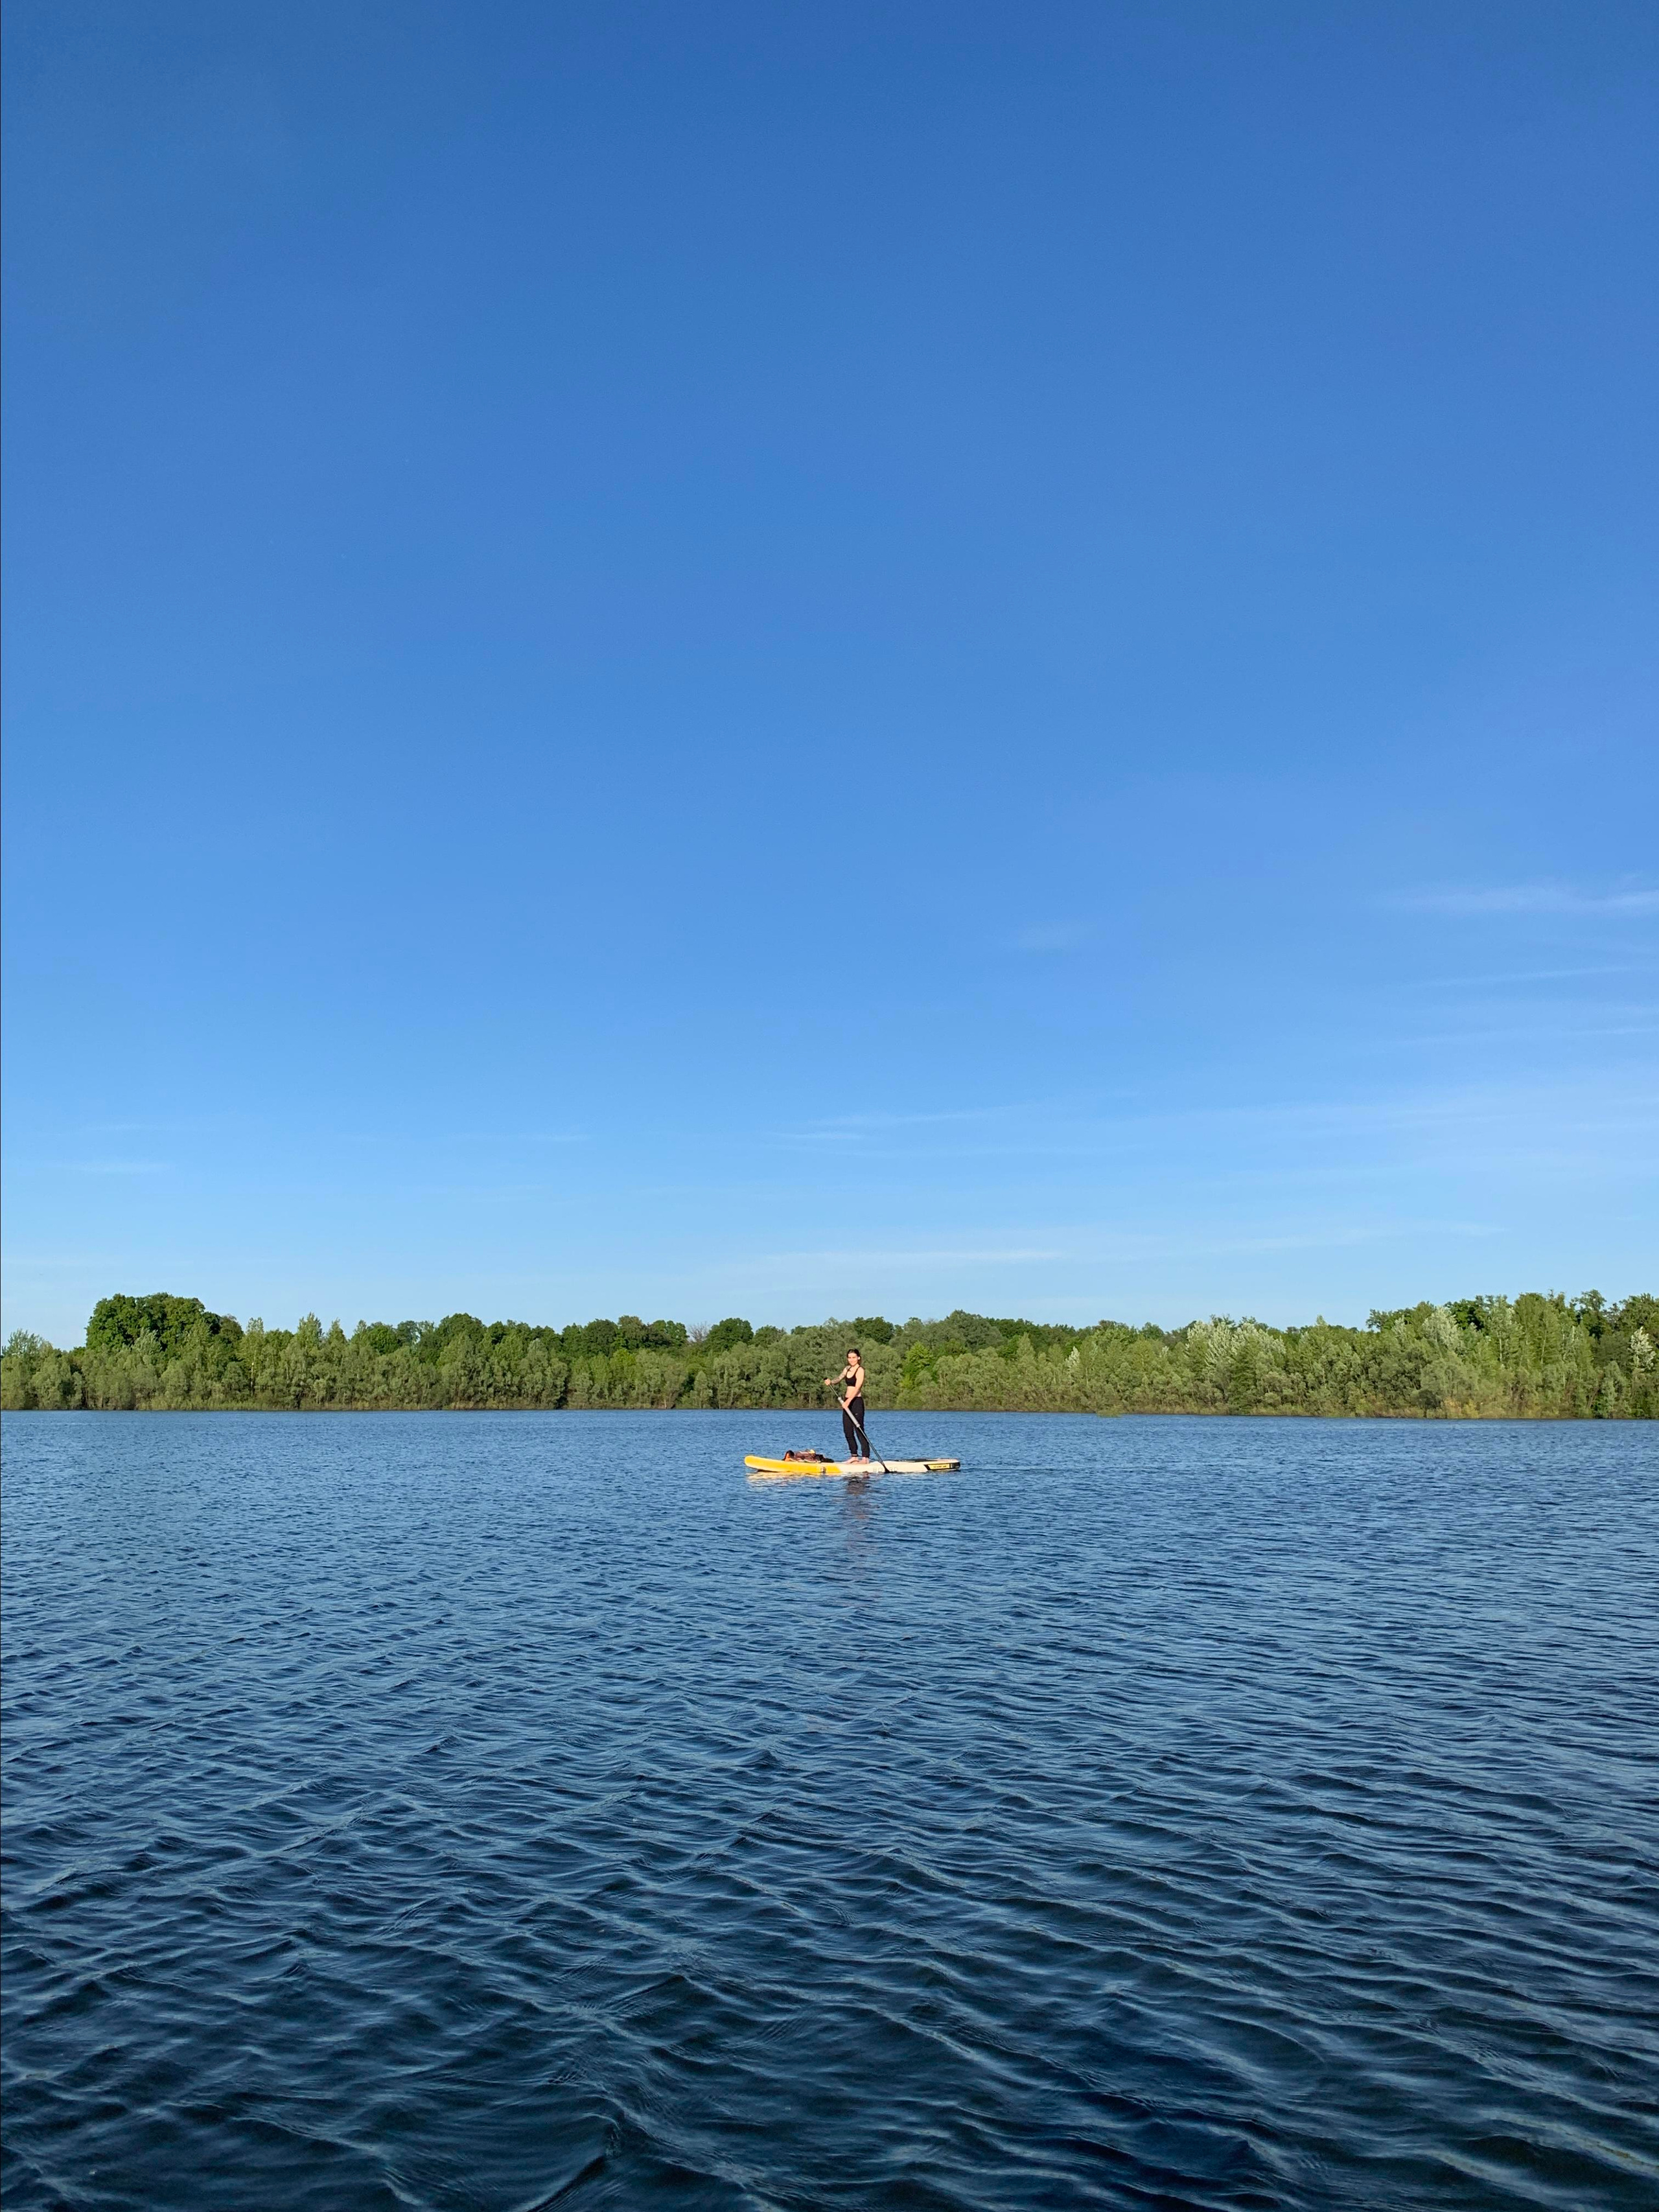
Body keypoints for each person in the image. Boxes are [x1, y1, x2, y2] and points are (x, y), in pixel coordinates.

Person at [824, 1346, 873, 1461]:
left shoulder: (860, 1370)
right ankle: (854, 1456)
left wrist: (848, 1402)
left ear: (858, 1358)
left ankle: (865, 1457)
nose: (851, 1360)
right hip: (847, 1402)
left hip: (856, 1402)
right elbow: (839, 1378)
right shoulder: (847, 1369)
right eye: (850, 1358)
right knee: (847, 1430)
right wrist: (831, 1382)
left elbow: (857, 1388)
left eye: (854, 1357)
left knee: (859, 1429)